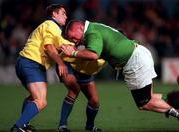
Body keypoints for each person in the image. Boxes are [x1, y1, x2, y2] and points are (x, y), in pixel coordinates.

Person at [61, 20, 179, 121]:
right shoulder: (94, 28)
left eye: (73, 36)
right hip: (139, 54)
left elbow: (93, 55)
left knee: (144, 103)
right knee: (149, 97)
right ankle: (176, 100)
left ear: (80, 28)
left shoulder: (92, 33)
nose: (73, 40)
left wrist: (73, 53)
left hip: (134, 61)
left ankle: (176, 112)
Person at [10, 4, 73, 132]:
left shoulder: (52, 28)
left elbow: (63, 45)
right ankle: (17, 128)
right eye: (63, 13)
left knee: (33, 98)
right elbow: (49, 47)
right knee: (41, 101)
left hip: (26, 62)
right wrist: (60, 63)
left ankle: (24, 125)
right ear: (54, 14)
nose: (66, 16)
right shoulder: (51, 25)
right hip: (32, 62)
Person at [56, 54, 105, 132]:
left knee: (95, 101)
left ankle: (90, 125)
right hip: (69, 62)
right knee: (74, 90)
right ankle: (62, 125)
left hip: (85, 69)